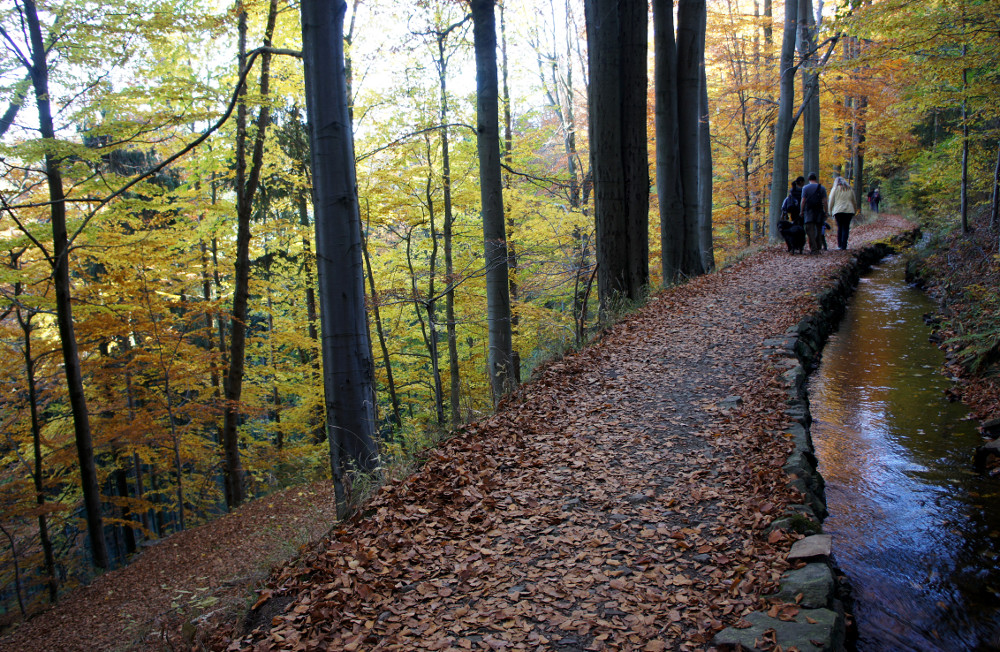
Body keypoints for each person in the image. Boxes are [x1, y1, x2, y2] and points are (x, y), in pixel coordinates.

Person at [800, 172, 828, 254]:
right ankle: (818, 247)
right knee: (819, 230)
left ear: (808, 179)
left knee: (810, 230)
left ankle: (813, 249)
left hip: (809, 211)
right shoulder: (822, 188)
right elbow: (825, 201)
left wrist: (801, 211)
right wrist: (826, 211)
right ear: (816, 179)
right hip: (819, 210)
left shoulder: (805, 188)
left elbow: (803, 201)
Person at [829, 176, 858, 250]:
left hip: (838, 211)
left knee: (840, 227)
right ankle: (844, 245)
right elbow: (854, 201)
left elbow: (831, 201)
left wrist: (830, 211)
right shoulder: (849, 189)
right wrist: (855, 210)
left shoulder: (835, 189)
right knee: (846, 227)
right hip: (849, 210)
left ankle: (839, 245)